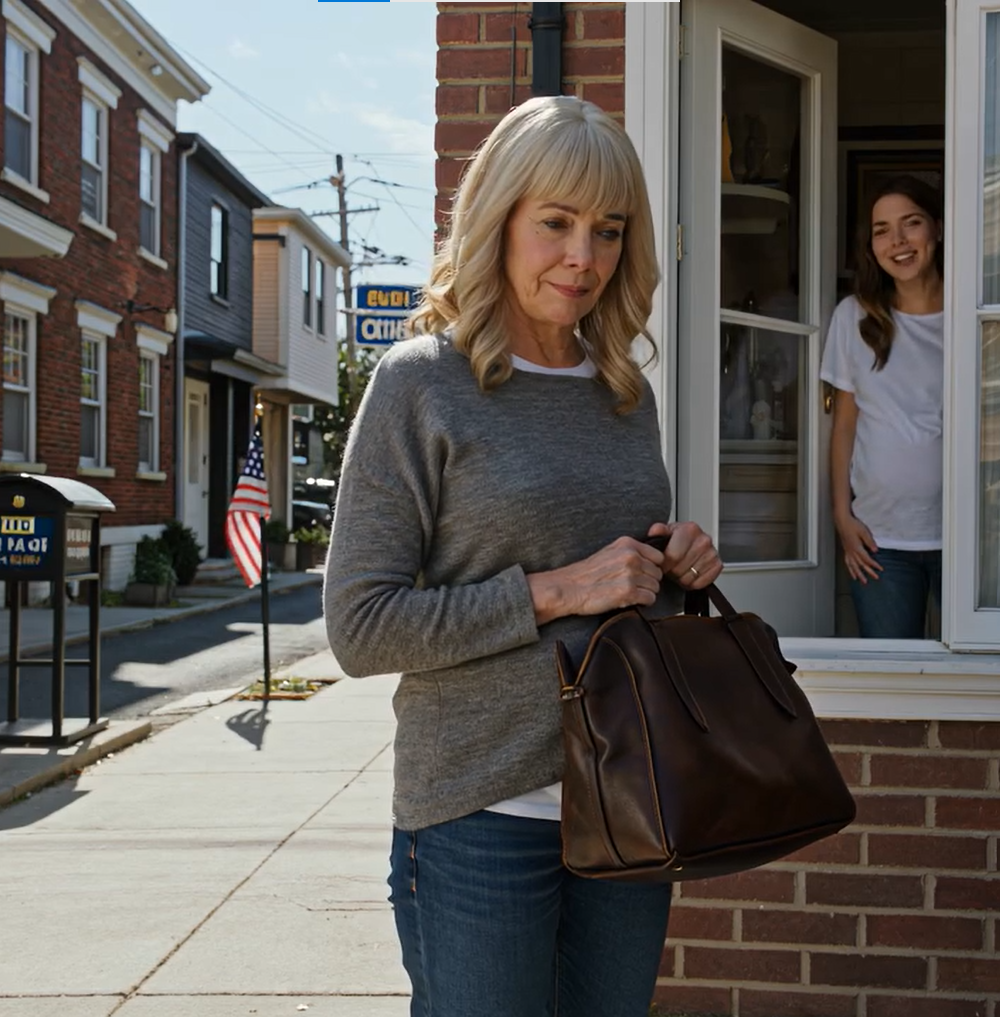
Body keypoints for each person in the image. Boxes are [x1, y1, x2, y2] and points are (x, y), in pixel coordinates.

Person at [323, 95, 723, 1017]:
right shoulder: (423, 383)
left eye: (608, 230)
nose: (583, 257)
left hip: (626, 801)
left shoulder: (624, 393)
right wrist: (557, 590)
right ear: (498, 217)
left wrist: (680, 565)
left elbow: (628, 602)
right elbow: (359, 627)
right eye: (555, 223)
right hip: (477, 814)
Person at [821, 175, 944, 638]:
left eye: (911, 223)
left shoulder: (976, 315)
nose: (898, 241)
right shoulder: (854, 316)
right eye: (881, 230)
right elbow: (845, 426)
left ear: (937, 227)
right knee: (895, 683)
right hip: (880, 542)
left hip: (970, 538)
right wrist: (842, 518)